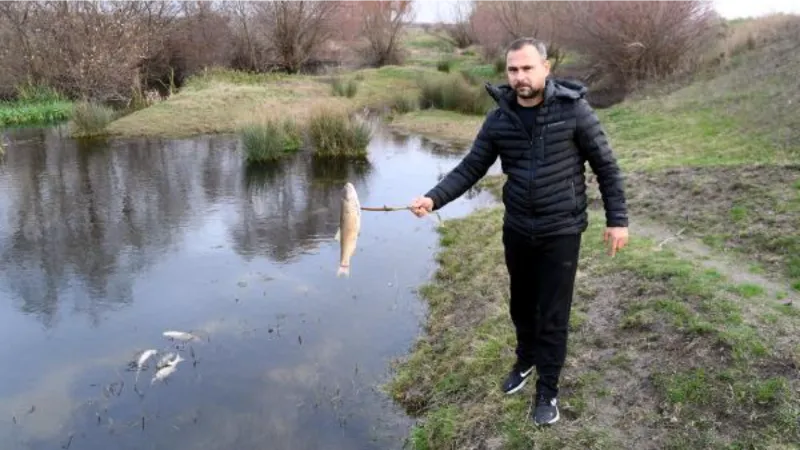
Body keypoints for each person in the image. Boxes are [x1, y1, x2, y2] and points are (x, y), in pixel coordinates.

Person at [409, 37, 629, 426]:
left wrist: (617, 220)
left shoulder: (574, 110)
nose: (520, 77)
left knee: (552, 314)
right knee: (521, 305)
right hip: (517, 229)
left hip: (561, 230)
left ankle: (548, 390)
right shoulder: (499, 118)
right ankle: (525, 358)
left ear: (546, 67)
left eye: (527, 68)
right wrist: (433, 199)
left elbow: (606, 167)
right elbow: (470, 167)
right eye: (513, 69)